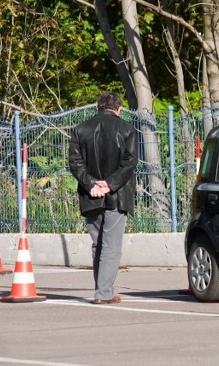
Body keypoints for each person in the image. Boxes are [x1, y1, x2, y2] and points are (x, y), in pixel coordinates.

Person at [69, 92, 138, 305]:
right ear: (118, 109)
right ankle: (103, 293)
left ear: (98, 107)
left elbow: (75, 163)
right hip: (117, 195)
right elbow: (129, 161)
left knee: (98, 243)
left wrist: (91, 184)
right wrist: (109, 184)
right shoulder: (126, 129)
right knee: (111, 245)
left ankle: (103, 290)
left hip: (91, 195)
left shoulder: (80, 129)